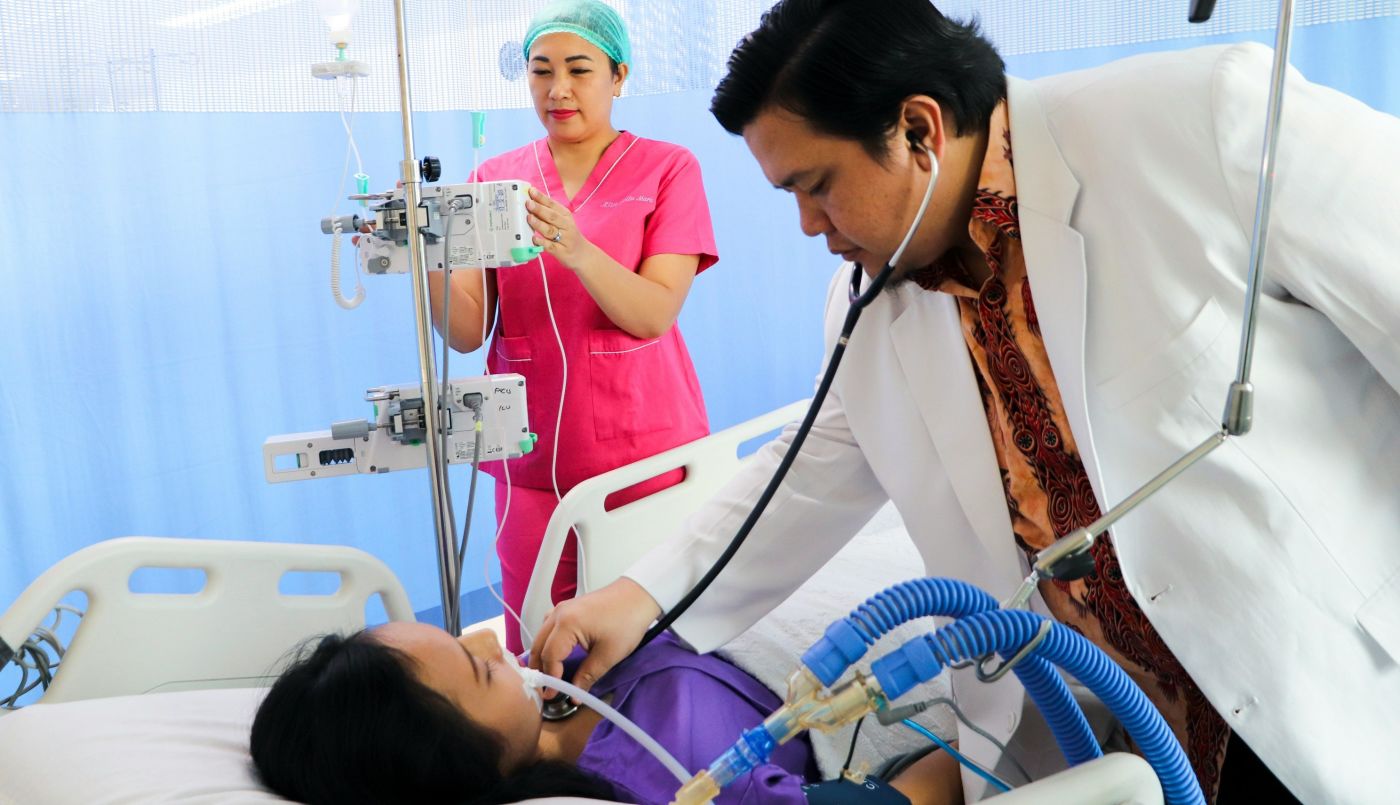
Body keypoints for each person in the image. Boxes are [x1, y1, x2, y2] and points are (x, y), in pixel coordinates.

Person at [527, 1, 1400, 803]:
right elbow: (805, 472)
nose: (808, 226)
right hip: (1136, 736)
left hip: (1328, 690)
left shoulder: (1206, 123)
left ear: (919, 129)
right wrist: (639, 595)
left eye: (815, 184)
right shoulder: (871, 303)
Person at [426, 1, 718, 654]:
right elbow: (467, 332)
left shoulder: (668, 168)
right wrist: (428, 253)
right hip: (531, 458)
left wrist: (578, 249)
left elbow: (653, 312)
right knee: (538, 652)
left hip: (645, 456)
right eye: (541, 71)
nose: (558, 89)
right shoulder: (493, 180)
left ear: (618, 76)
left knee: (650, 645)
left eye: (579, 70)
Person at [248, 623, 961, 805]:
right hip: (925, 648)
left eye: (463, 637)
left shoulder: (568, 673)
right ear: (459, 763)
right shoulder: (678, 781)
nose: (493, 641)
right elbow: (904, 798)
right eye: (480, 668)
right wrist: (995, 720)